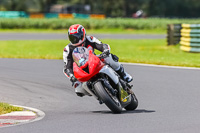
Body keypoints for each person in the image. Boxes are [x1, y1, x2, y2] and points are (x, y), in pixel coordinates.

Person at [63, 24, 133, 96]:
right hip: (82, 68)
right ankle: (97, 92)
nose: (75, 39)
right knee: (78, 90)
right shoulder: (67, 49)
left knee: (109, 57)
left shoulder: (90, 39)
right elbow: (67, 67)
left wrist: (105, 50)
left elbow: (102, 45)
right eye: (72, 37)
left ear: (83, 34)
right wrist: (71, 76)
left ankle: (124, 74)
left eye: (77, 36)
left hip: (94, 60)